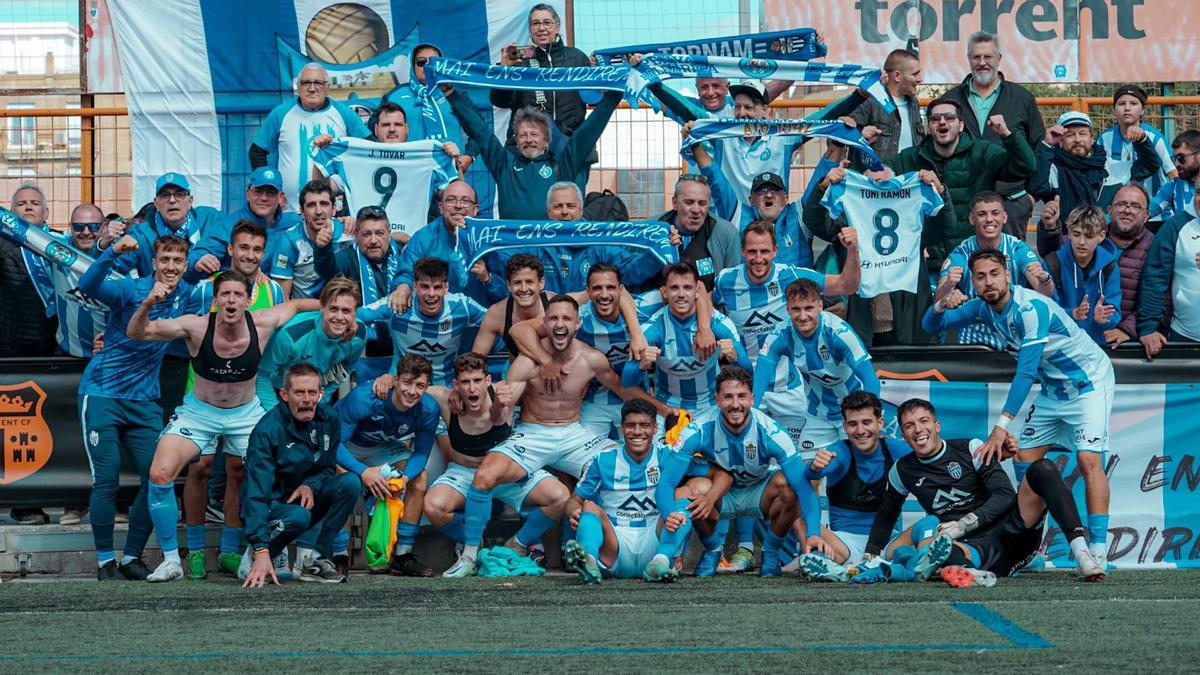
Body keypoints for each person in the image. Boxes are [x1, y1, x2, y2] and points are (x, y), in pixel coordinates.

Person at [449, 295, 670, 577]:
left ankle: (528, 544)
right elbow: (499, 418)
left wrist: (666, 411)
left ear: (578, 324)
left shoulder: (591, 359)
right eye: (553, 318)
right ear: (544, 323)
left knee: (620, 462)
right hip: (533, 432)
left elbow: (623, 390)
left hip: (574, 434)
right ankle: (469, 555)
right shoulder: (527, 362)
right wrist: (499, 404)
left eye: (566, 318)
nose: (560, 324)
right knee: (484, 476)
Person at [924, 249, 1116, 567]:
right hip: (1053, 391)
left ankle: (1098, 551)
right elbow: (932, 325)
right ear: (973, 282)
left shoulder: (1030, 308)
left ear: (1008, 275)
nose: (988, 282)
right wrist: (941, 303)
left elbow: (1026, 373)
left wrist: (1000, 428)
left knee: (1088, 460)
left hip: (1088, 385)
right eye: (980, 276)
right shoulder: (983, 308)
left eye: (994, 274)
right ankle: (1032, 549)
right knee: (1026, 460)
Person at [127, 269, 317, 582]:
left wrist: (345, 314)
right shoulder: (196, 326)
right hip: (200, 412)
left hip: (245, 413)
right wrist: (148, 303)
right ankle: (173, 560)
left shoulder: (264, 322)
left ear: (248, 300)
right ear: (215, 300)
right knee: (160, 473)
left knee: (268, 476)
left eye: (237, 294)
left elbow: (297, 305)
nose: (231, 300)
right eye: (225, 294)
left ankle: (249, 553)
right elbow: (138, 332)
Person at [862, 398, 1105, 584]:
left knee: (1043, 468)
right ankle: (971, 573)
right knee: (933, 551)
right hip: (973, 549)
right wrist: (870, 555)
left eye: (924, 421)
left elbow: (1004, 494)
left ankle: (1082, 555)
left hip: (1013, 531)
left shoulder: (971, 448)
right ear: (903, 435)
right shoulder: (902, 470)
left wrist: (963, 523)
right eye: (909, 425)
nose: (918, 429)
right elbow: (886, 516)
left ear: (937, 425)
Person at [75, 234, 192, 579]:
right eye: (164, 259)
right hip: (103, 393)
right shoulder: (131, 288)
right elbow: (88, 284)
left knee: (157, 477)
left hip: (144, 401)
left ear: (185, 266)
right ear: (154, 263)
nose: (171, 266)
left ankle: (130, 558)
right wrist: (112, 251)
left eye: (177, 261)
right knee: (107, 480)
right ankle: (104, 562)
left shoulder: (187, 297)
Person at [655, 366, 827, 577]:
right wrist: (668, 514)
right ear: (717, 400)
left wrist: (813, 533)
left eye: (742, 396)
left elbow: (804, 488)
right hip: (720, 496)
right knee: (691, 490)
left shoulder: (772, 432)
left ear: (752, 399)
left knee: (789, 485)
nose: (735, 404)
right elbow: (667, 482)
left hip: (758, 493)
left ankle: (770, 552)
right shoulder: (698, 430)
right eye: (728, 397)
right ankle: (712, 550)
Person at [422, 353, 567, 578]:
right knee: (433, 506)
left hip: (506, 472)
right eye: (465, 382)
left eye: (477, 381)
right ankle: (471, 545)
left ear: (488, 380)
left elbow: (530, 367)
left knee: (559, 497)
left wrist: (548, 362)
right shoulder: (443, 397)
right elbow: (409, 385)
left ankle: (518, 543)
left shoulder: (505, 393)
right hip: (466, 472)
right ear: (455, 384)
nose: (472, 388)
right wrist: (386, 379)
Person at [803, 160, 954, 345]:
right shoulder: (848, 227)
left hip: (909, 330)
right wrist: (823, 186)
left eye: (884, 185)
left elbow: (946, 225)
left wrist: (940, 190)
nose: (878, 191)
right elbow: (814, 221)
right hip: (864, 332)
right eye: (870, 186)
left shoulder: (913, 224)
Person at [239, 363, 361, 587]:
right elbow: (255, 493)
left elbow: (327, 468)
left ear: (321, 393)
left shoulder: (329, 420)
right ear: (284, 395)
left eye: (312, 392)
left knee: (350, 482)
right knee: (298, 516)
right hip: (273, 506)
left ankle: (316, 560)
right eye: (299, 393)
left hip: (303, 500)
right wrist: (261, 547)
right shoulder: (267, 430)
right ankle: (257, 556)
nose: (307, 399)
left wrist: (309, 485)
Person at [562, 398, 709, 583]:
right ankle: (589, 561)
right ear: (622, 428)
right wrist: (574, 512)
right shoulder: (602, 460)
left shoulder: (669, 455)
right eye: (631, 425)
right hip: (614, 547)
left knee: (684, 495)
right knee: (589, 506)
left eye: (644, 425)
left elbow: (716, 474)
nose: (637, 431)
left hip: (655, 541)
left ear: (655, 428)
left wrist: (708, 497)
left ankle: (661, 562)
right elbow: (574, 500)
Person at [325, 355, 441, 577]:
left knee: (419, 478)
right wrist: (363, 472)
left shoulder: (428, 409)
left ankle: (403, 555)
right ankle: (338, 554)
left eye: (420, 386)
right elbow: (333, 445)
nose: (412, 391)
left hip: (382, 447)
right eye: (407, 383)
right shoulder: (365, 398)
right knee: (340, 479)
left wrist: (403, 479)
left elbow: (421, 453)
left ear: (427, 387)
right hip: (345, 445)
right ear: (396, 380)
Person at [887, 98, 1035, 268]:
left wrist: (1006, 133)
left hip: (973, 259)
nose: (942, 122)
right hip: (929, 261)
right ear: (929, 127)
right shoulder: (911, 157)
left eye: (949, 117)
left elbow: (1027, 166)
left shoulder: (984, 152)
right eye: (935, 119)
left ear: (961, 126)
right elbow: (877, 176)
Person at [444, 78, 620, 221]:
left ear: (546, 140)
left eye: (534, 134)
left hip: (552, 244)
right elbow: (479, 129)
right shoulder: (504, 164)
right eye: (523, 135)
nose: (529, 139)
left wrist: (615, 94)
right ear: (516, 140)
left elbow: (590, 130)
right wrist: (451, 93)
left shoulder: (562, 164)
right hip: (515, 246)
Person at [507, 263, 648, 439]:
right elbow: (518, 330)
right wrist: (547, 361)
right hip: (592, 398)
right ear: (588, 291)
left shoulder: (642, 308)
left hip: (632, 389)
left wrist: (636, 333)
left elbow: (627, 294)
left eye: (610, 288)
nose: (604, 294)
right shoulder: (575, 314)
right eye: (597, 288)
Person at [752, 279, 880, 460]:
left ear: (820, 306)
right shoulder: (780, 335)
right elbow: (759, 383)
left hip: (853, 415)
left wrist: (867, 419)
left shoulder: (838, 332)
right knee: (807, 468)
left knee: (858, 466)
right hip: (817, 415)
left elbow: (870, 379)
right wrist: (748, 420)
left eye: (809, 308)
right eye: (796, 309)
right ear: (787, 309)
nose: (803, 316)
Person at [795, 391, 913, 578]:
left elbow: (932, 463)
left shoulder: (897, 450)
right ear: (844, 427)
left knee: (929, 524)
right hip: (843, 545)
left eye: (866, 422)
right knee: (800, 522)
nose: (860, 430)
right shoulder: (840, 450)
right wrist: (814, 467)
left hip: (886, 542)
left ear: (880, 423)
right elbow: (812, 474)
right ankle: (831, 563)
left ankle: (834, 568)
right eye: (852, 424)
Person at [939, 32, 1045, 238]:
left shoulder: (1022, 99)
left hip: (1011, 201)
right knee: (964, 257)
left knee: (1008, 257)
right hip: (962, 203)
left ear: (999, 59)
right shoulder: (950, 101)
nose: (982, 62)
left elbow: (1038, 148)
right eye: (976, 57)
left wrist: (1031, 195)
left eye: (988, 57)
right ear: (969, 59)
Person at [623, 262, 750, 415]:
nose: (681, 294)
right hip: (668, 409)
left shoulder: (718, 324)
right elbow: (627, 381)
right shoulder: (654, 328)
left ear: (697, 292)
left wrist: (735, 358)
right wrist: (641, 366)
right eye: (674, 288)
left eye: (687, 288)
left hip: (711, 407)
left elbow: (748, 371)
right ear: (665, 292)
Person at [935, 192, 1054, 349]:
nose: (989, 219)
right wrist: (949, 286)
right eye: (982, 214)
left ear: (1004, 217)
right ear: (971, 219)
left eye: (995, 213)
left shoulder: (1018, 249)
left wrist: (1044, 279)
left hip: (1013, 337)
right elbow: (937, 301)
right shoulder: (960, 253)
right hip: (974, 341)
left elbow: (1046, 293)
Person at [249, 63, 370, 208]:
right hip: (289, 210)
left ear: (327, 87)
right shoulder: (280, 114)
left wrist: (350, 189)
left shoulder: (345, 114)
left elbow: (369, 151)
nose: (312, 88)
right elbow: (256, 152)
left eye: (318, 83)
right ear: (298, 86)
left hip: (335, 211)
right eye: (306, 83)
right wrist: (270, 190)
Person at [1031, 110, 1161, 243]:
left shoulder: (1111, 167)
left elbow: (1149, 165)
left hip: (1110, 245)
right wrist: (1047, 145)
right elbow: (1037, 188)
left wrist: (1141, 140)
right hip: (1068, 244)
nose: (1077, 139)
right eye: (1070, 135)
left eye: (1083, 133)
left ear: (1092, 139)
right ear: (1060, 141)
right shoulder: (1053, 169)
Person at [358, 256, 486, 387]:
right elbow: (355, 317)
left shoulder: (462, 306)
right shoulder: (397, 304)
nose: (431, 294)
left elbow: (495, 320)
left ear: (446, 288)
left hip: (447, 390)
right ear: (414, 286)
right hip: (401, 387)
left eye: (437, 287)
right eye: (425, 286)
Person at [390, 180, 506, 310]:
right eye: (451, 200)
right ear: (441, 207)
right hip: (434, 317)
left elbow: (505, 292)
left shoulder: (488, 239)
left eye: (465, 201)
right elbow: (406, 273)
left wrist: (487, 278)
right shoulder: (423, 238)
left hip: (479, 318)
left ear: (475, 209)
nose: (458, 206)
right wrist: (403, 286)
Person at [315, 205, 401, 379]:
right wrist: (323, 250)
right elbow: (328, 270)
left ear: (389, 234)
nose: (373, 240)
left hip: (400, 343)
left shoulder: (402, 254)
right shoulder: (347, 257)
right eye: (366, 234)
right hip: (360, 346)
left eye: (379, 233)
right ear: (356, 235)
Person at [255, 277, 366, 411]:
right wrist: (277, 415)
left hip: (317, 395)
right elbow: (262, 376)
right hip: (279, 394)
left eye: (346, 311)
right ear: (322, 308)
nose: (339, 317)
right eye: (333, 309)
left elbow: (344, 370)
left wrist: (321, 401)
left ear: (355, 313)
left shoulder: (358, 336)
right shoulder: (291, 337)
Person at [491, 4, 591, 150]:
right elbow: (501, 101)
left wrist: (599, 75)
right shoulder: (518, 62)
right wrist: (504, 71)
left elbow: (592, 98)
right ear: (530, 29)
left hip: (571, 145)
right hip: (528, 147)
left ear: (557, 27)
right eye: (536, 23)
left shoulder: (578, 58)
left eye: (547, 23)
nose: (541, 28)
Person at [101, 173, 228, 280]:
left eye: (179, 194)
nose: (172, 200)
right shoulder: (140, 235)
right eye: (165, 195)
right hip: (159, 300)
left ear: (190, 201)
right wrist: (102, 245)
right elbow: (107, 273)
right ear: (156, 203)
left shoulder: (210, 219)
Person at [381, 43, 477, 175]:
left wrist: (469, 157)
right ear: (413, 65)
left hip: (448, 172)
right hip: (406, 172)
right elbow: (376, 130)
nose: (427, 66)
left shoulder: (454, 95)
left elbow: (478, 130)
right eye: (421, 62)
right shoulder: (395, 96)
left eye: (433, 62)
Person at [1042, 205, 1122, 346]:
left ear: (1101, 236)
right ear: (1069, 233)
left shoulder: (1110, 266)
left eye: (1089, 236)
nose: (1082, 242)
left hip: (1096, 346)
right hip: (1060, 345)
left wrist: (1104, 319)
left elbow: (1114, 312)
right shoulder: (1052, 264)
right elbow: (1044, 312)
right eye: (1076, 234)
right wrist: (1073, 314)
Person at [1137, 183, 1200, 355]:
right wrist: (1148, 327)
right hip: (1185, 337)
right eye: (1199, 192)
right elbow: (1154, 279)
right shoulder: (1175, 226)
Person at [0, 185, 58, 368]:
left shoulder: (61, 244)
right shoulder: (3, 243)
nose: (28, 207)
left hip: (56, 341)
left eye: (35, 203)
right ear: (11, 213)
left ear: (46, 212)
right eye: (21, 204)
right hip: (13, 343)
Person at [654, 175, 740, 291]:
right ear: (675, 203)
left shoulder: (727, 234)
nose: (696, 210)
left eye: (702, 203)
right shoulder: (651, 230)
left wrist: (708, 299)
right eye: (689, 202)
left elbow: (733, 287)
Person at [842, 49, 925, 163]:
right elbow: (842, 133)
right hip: (879, 173)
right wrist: (860, 135)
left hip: (912, 173)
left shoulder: (914, 103)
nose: (920, 79)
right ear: (897, 76)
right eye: (915, 74)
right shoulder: (870, 101)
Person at [266, 180, 345, 299]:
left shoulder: (347, 233)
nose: (318, 211)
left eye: (324, 204)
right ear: (302, 212)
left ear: (334, 208)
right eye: (311, 205)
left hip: (342, 307)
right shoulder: (289, 241)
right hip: (304, 309)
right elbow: (282, 298)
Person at [1097, 85, 1176, 197]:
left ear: (1143, 109)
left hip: (1152, 205)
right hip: (1115, 205)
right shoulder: (1104, 138)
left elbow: (1173, 173)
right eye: (1121, 103)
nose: (1127, 108)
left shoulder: (1155, 137)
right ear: (1114, 110)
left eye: (1133, 104)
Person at [226, 167, 302, 235]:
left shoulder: (295, 224)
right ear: (248, 194)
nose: (264, 198)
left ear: (280, 197)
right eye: (258, 191)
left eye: (271, 192)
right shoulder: (228, 226)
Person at [1148, 130, 1199, 222]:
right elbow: (1146, 212)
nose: (1176, 164)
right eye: (1174, 159)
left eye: (1181, 158)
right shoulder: (1174, 186)